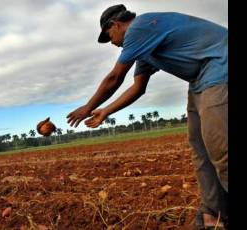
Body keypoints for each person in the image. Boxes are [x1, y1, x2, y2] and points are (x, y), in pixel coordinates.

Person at [66, 4, 228, 229]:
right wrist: (105, 111)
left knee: (221, 149)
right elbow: (137, 87)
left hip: (220, 66)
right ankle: (214, 214)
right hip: (199, 80)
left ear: (116, 25)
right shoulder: (145, 49)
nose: (112, 43)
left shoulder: (139, 28)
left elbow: (115, 77)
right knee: (200, 149)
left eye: (109, 36)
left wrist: (88, 107)